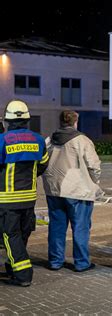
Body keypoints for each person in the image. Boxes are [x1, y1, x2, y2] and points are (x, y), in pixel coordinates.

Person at [42, 110, 101, 273]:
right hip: (77, 190)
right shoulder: (82, 140)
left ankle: (55, 261)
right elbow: (94, 166)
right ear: (75, 122)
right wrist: (94, 182)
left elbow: (42, 162)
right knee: (80, 228)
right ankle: (81, 263)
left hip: (54, 190)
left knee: (56, 227)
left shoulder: (50, 140)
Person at [0, 100, 49, 287]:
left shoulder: (2, 140)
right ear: (27, 119)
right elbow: (43, 165)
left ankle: (23, 274)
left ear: (7, 120)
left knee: (11, 235)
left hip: (7, 199)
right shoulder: (38, 139)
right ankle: (13, 266)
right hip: (29, 198)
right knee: (22, 234)